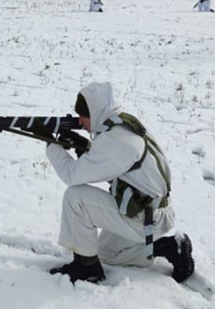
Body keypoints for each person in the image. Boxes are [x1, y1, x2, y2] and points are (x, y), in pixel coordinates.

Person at [46, 82, 194, 284]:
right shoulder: (123, 126)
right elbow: (119, 167)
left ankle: (86, 268)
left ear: (95, 112)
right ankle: (168, 247)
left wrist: (52, 145)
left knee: (76, 197)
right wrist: (85, 147)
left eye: (83, 115)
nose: (80, 121)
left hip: (145, 216)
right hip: (152, 211)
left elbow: (71, 175)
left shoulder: (117, 140)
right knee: (106, 253)